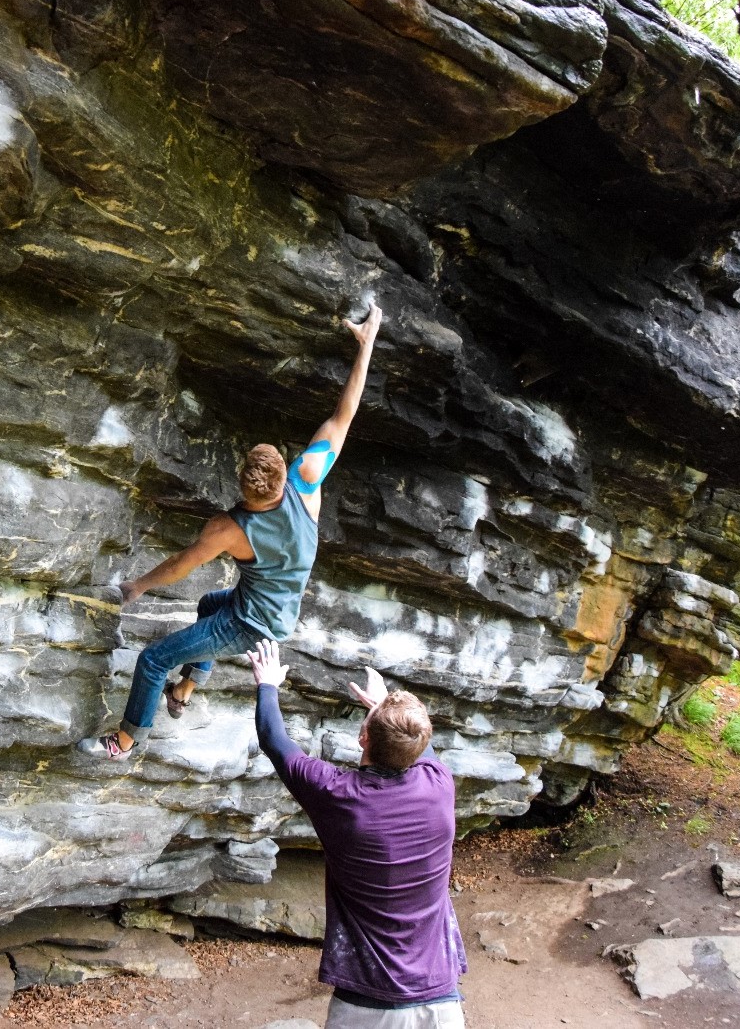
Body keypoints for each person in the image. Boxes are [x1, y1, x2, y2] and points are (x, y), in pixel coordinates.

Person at [77, 302, 383, 761]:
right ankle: (187, 688)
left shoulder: (231, 527)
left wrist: (137, 585)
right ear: (285, 470)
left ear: (243, 483)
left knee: (152, 659)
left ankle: (124, 740)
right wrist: (367, 343)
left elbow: (182, 565)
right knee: (207, 603)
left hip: (250, 624)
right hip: (277, 612)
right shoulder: (308, 479)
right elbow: (347, 412)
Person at [247, 638, 466, 1029]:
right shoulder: (439, 784)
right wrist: (382, 709)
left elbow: (276, 744)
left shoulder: (338, 795)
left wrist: (268, 684)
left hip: (368, 1002)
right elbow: (417, 745)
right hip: (440, 999)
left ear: (363, 738)